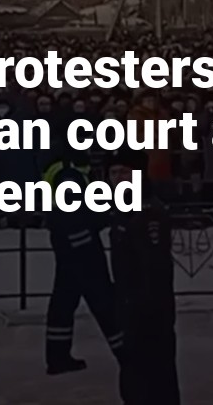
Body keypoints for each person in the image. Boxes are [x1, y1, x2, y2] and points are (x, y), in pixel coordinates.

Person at [43, 152, 126, 375]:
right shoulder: (70, 174)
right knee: (103, 299)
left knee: (64, 300)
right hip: (82, 246)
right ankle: (125, 352)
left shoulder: (64, 169)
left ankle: (57, 356)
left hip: (69, 244)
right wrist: (102, 218)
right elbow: (76, 214)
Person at [109, 148, 181, 405]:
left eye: (124, 172)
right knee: (135, 374)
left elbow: (154, 266)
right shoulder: (123, 208)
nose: (118, 178)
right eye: (113, 172)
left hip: (149, 309)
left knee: (154, 374)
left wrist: (143, 306)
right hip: (129, 304)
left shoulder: (148, 211)